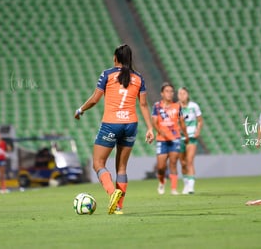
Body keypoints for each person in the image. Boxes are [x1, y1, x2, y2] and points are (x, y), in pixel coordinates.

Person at [75, 44, 154, 215]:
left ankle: (112, 194)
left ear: (115, 58)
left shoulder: (108, 74)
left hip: (111, 124)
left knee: (98, 163)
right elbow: (143, 104)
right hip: (131, 124)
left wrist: (80, 109)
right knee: (122, 168)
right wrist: (150, 128)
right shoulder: (139, 78)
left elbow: (95, 99)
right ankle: (118, 207)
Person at [152, 82, 189, 195]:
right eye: (167, 91)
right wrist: (160, 131)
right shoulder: (157, 106)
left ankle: (173, 189)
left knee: (173, 163)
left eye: (171, 91)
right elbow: (154, 122)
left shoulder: (177, 106)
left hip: (175, 138)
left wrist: (186, 135)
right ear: (162, 93)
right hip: (162, 139)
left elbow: (182, 122)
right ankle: (162, 182)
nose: (169, 93)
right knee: (161, 166)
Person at [177, 87, 203, 194]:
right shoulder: (175, 107)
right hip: (179, 137)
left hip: (191, 136)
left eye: (184, 93)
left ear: (188, 95)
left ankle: (191, 187)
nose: (182, 95)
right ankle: (186, 184)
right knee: (182, 163)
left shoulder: (194, 106)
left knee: (189, 161)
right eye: (180, 93)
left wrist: (198, 130)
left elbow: (200, 120)